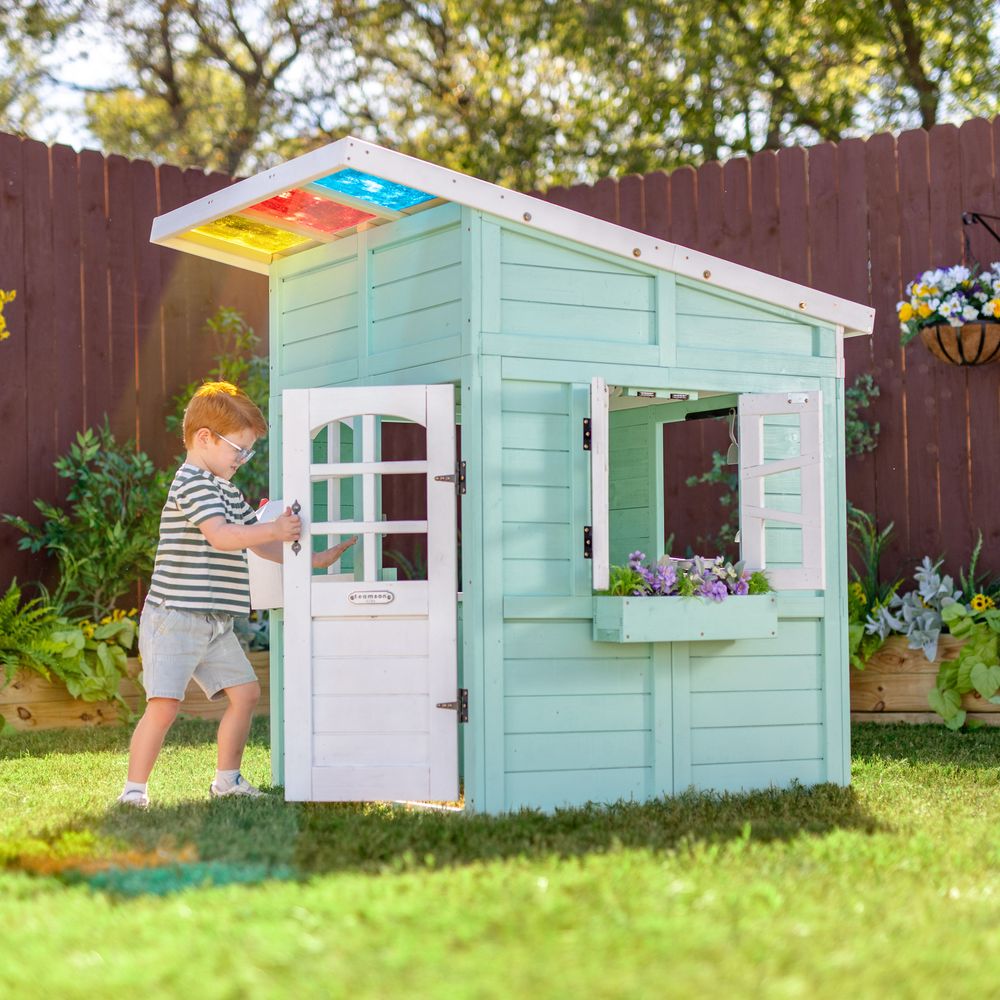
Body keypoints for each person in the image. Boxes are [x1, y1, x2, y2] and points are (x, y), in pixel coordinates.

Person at [118, 381, 355, 808]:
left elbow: (256, 543)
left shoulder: (225, 489)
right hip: (175, 616)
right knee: (164, 706)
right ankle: (134, 792)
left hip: (214, 622)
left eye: (248, 452)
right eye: (238, 449)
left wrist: (311, 559)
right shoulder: (190, 483)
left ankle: (227, 780)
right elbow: (222, 536)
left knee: (245, 694)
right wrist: (273, 527)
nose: (243, 460)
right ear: (205, 438)